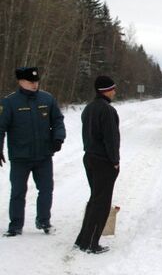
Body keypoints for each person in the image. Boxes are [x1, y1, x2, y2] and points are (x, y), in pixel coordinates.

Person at [0, 67, 66, 237]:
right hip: (20, 156)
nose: (34, 84)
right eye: (31, 82)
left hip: (43, 155)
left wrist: (58, 138)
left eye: (36, 81)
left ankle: (44, 221)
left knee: (46, 189)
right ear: (21, 81)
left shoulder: (47, 99)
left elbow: (58, 120)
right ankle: (15, 225)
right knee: (18, 192)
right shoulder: (9, 102)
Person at [75, 76, 120, 254]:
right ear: (106, 90)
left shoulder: (88, 108)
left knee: (94, 199)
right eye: (113, 88)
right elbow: (111, 139)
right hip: (104, 161)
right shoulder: (108, 110)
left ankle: (83, 240)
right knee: (101, 203)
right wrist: (115, 161)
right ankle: (91, 243)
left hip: (90, 158)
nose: (115, 92)